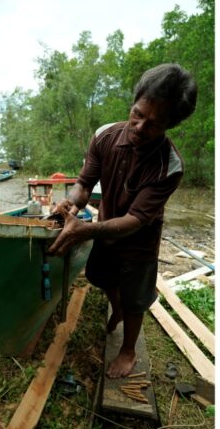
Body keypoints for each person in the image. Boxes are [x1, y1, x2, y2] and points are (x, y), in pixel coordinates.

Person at [47, 63, 197, 378]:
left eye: (153, 124)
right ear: (134, 102)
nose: (140, 127)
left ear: (170, 124)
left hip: (138, 243)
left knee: (135, 298)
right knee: (102, 277)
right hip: (103, 230)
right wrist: (72, 205)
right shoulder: (104, 136)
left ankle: (128, 350)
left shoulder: (169, 166)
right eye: (137, 114)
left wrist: (83, 231)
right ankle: (116, 307)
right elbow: (85, 183)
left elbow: (135, 221)